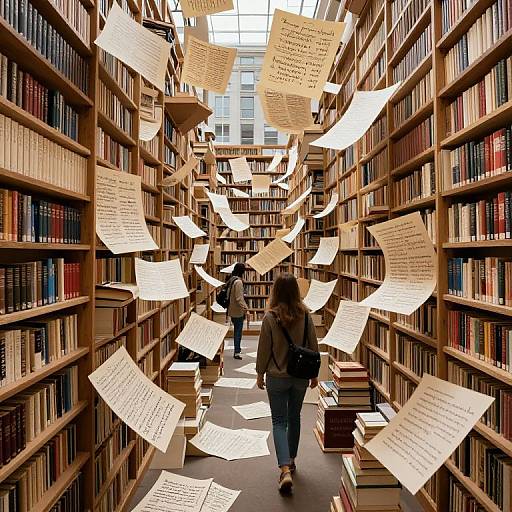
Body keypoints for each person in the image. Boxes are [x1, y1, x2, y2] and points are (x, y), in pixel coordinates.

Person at [256, 273, 319, 493]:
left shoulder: (270, 318)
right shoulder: (307, 316)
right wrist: (314, 375)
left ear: (276, 291)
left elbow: (264, 349)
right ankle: (291, 460)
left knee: (279, 421)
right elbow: (313, 346)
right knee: (295, 417)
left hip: (276, 376)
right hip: (300, 376)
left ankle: (284, 469)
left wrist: (259, 373)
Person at [227, 262, 248, 360]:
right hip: (237, 311)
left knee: (237, 330)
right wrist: (246, 308)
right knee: (238, 332)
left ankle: (237, 349)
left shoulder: (232, 279)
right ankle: (237, 352)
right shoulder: (238, 282)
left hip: (232, 309)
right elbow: (239, 298)